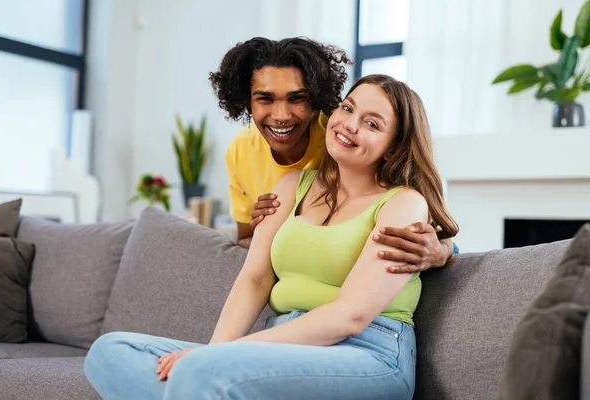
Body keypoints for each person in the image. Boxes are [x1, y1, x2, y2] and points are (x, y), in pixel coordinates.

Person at [83, 74, 459, 399]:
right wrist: (216, 351)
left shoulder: (403, 203)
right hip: (280, 345)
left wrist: (214, 360)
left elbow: (350, 317)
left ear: (394, 147)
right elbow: (255, 278)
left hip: (368, 352)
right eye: (347, 108)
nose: (349, 124)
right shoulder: (292, 185)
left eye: (372, 124)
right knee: (111, 351)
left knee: (199, 373)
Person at [209, 37, 455, 273]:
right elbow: (245, 240)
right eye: (265, 99)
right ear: (246, 101)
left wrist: (443, 251)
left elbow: (428, 230)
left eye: (297, 99)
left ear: (315, 97)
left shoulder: (342, 138)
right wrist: (264, 229)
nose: (281, 115)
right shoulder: (240, 150)